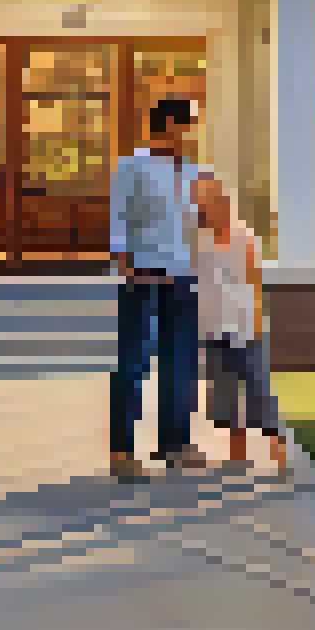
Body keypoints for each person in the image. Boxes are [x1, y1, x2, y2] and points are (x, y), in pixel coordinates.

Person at [108, 97, 206, 481]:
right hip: (145, 271)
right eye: (187, 125)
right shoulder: (133, 166)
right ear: (166, 125)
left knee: (179, 362)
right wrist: (125, 264)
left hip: (184, 274)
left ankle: (175, 445)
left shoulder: (194, 171)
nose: (192, 133)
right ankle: (122, 451)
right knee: (134, 362)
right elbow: (119, 217)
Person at [192, 170, 288, 476]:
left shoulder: (243, 235)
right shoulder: (195, 239)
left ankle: (279, 454)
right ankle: (238, 456)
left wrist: (257, 319)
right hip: (213, 327)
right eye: (200, 197)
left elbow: (255, 282)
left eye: (211, 195)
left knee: (259, 390)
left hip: (246, 325)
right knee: (226, 394)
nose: (207, 203)